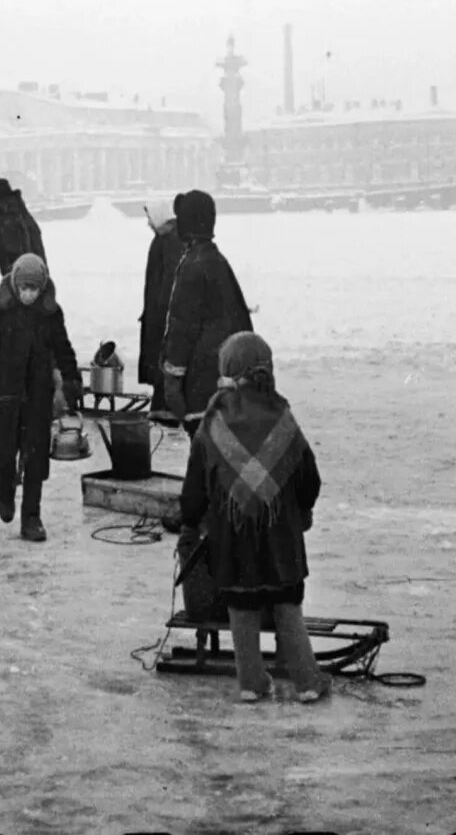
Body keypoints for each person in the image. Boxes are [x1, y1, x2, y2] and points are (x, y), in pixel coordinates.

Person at [169, 331, 330, 704]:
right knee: (287, 605)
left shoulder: (214, 422)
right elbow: (310, 479)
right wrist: (301, 510)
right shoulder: (283, 418)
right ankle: (307, 682)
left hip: (232, 540)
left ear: (227, 369)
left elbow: (195, 486)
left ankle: (251, 684)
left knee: (241, 607)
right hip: (282, 541)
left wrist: (191, 521)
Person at [0, 255, 82, 542]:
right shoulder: (2, 308)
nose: (29, 294)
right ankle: (5, 491)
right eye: (24, 288)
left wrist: (71, 381)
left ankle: (32, 517)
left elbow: (63, 347)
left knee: (35, 458)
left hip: (37, 393)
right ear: (16, 286)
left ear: (42, 288)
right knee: (4, 452)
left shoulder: (50, 312)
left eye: (34, 288)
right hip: (6, 391)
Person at [160, 189, 253, 437]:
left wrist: (172, 380)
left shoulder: (192, 265)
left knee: (206, 455)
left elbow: (182, 326)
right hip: (228, 378)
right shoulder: (218, 261)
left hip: (202, 381)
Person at [138, 199, 186, 418]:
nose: (148, 223)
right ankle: (161, 407)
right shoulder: (163, 240)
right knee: (160, 363)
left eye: (150, 218)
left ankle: (164, 410)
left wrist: (160, 311)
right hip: (157, 313)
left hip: (163, 315)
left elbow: (168, 282)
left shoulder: (171, 242)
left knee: (163, 362)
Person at [0, 177, 46, 274]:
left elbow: (22, 249)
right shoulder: (11, 214)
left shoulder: (11, 217)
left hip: (24, 275)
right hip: (23, 273)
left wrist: (14, 273)